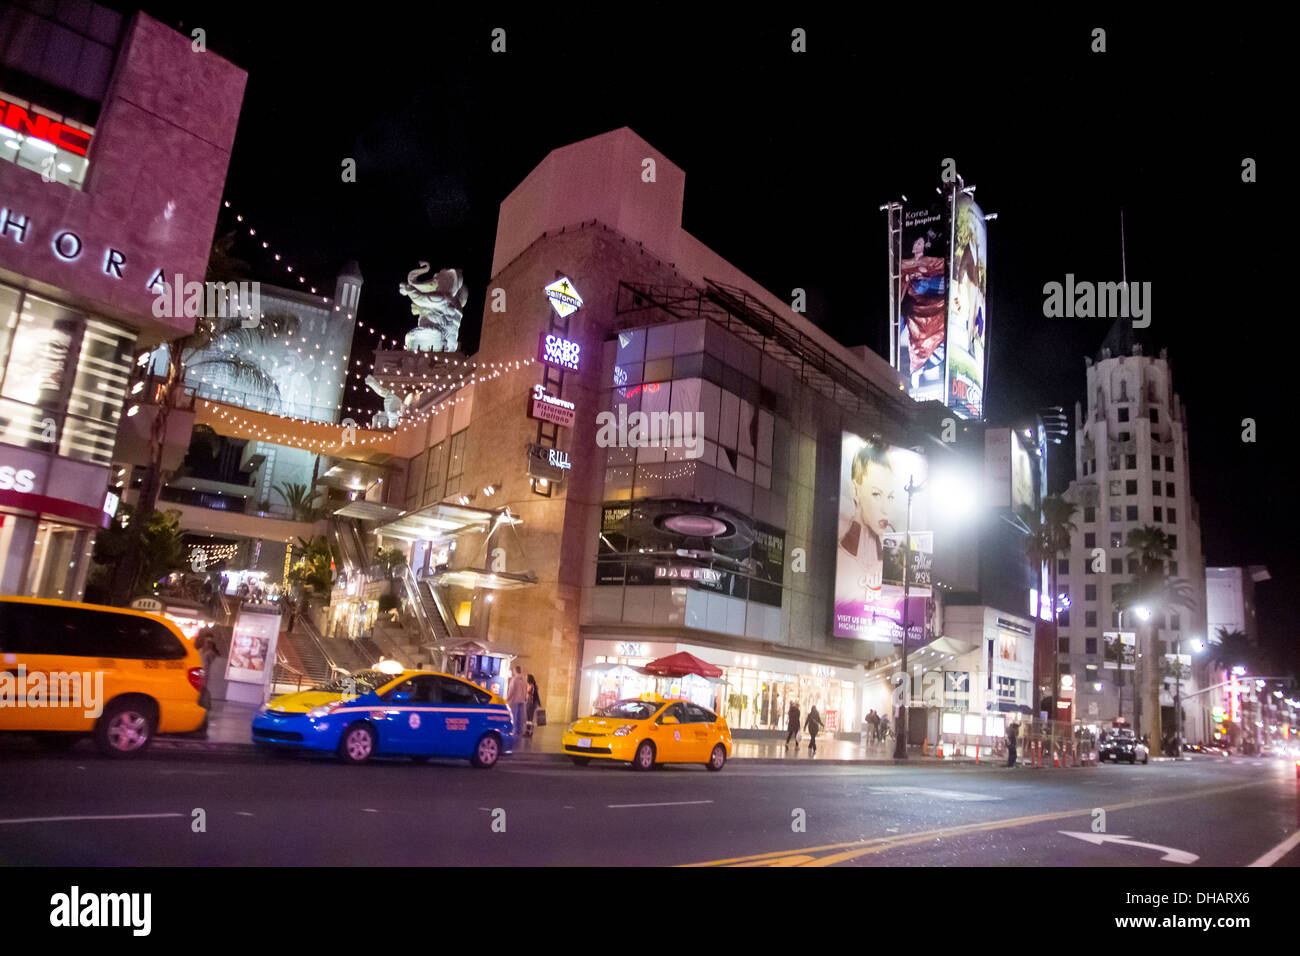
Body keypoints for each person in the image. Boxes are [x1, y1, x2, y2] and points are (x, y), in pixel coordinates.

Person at [506, 665, 527, 737]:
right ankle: (520, 732)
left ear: (515, 671)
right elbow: (525, 690)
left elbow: (511, 691)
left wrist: (507, 699)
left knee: (514, 717)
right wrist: (524, 698)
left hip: (515, 700)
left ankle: (514, 732)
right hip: (522, 700)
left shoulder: (514, 679)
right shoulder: (523, 680)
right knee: (520, 717)